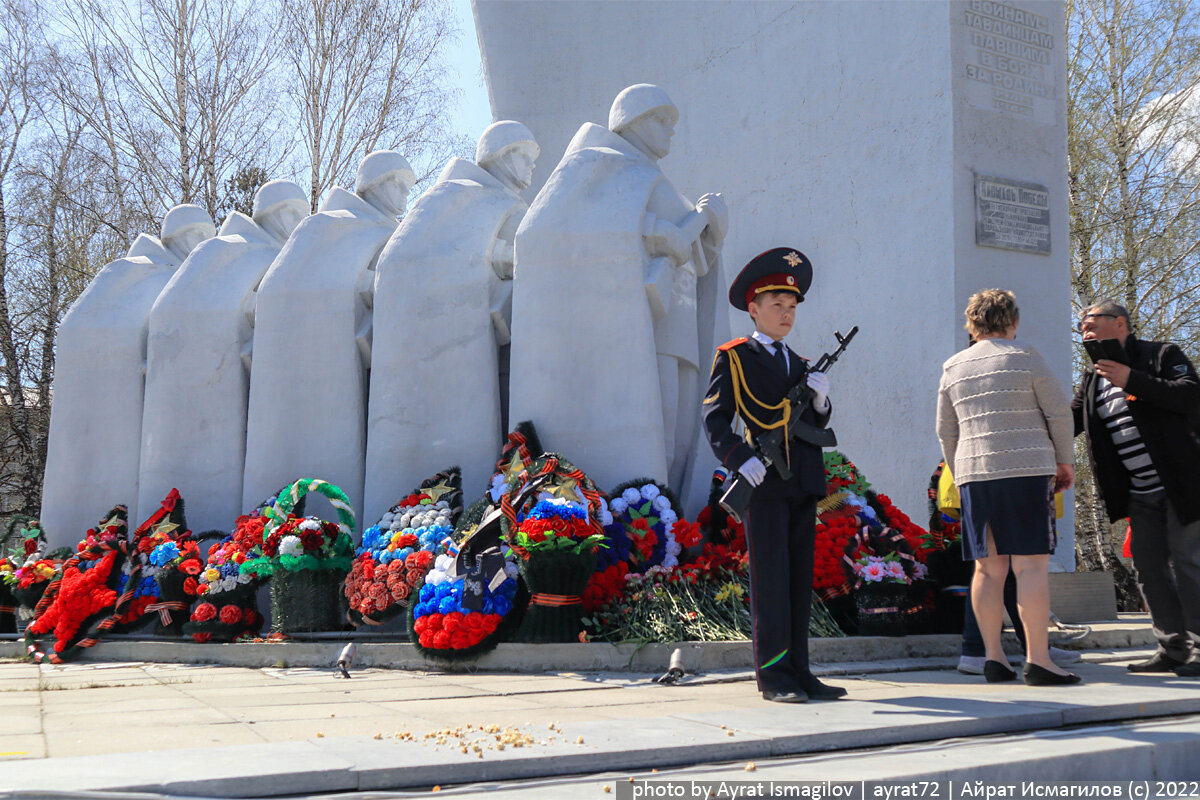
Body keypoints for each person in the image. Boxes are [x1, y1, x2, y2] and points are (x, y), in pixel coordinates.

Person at [510, 83, 727, 502]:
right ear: (634, 121)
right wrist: (655, 230)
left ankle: (672, 532)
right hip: (638, 332)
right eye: (662, 120)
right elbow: (544, 235)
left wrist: (713, 227)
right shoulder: (596, 166)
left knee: (679, 443)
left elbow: (695, 258)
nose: (671, 131)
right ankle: (646, 525)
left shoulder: (652, 178)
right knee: (653, 442)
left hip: (677, 328)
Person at [365, 121, 540, 516]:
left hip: (464, 348)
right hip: (440, 352)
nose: (530, 169)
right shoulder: (473, 201)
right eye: (523, 157)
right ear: (498, 155)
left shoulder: (452, 202)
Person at [702, 247, 843, 703]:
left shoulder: (801, 364)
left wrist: (821, 401)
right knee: (771, 581)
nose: (786, 314)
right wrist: (739, 458)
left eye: (792, 307)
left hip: (801, 479)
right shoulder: (735, 357)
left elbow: (811, 427)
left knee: (799, 580)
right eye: (777, 306)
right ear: (754, 308)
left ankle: (801, 672)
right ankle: (774, 676)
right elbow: (716, 419)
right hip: (762, 481)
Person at [936, 289, 1080, 686]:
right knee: (1030, 564)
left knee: (987, 567)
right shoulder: (1025, 357)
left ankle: (993, 659)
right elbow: (1058, 414)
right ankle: (1038, 660)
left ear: (972, 324)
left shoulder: (953, 366)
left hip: (975, 474)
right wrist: (1064, 461)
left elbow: (945, 430)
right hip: (1025, 469)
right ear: (1013, 322)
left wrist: (960, 470)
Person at [1073, 301, 1200, 677]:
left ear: (1121, 324)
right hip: (1140, 492)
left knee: (1190, 563)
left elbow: (1189, 394)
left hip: (1182, 484)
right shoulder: (1094, 378)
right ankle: (1172, 648)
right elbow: (1069, 421)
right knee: (1147, 569)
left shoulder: (1161, 354)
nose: (1085, 331)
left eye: (1091, 323)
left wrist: (1131, 379)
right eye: (1081, 326)